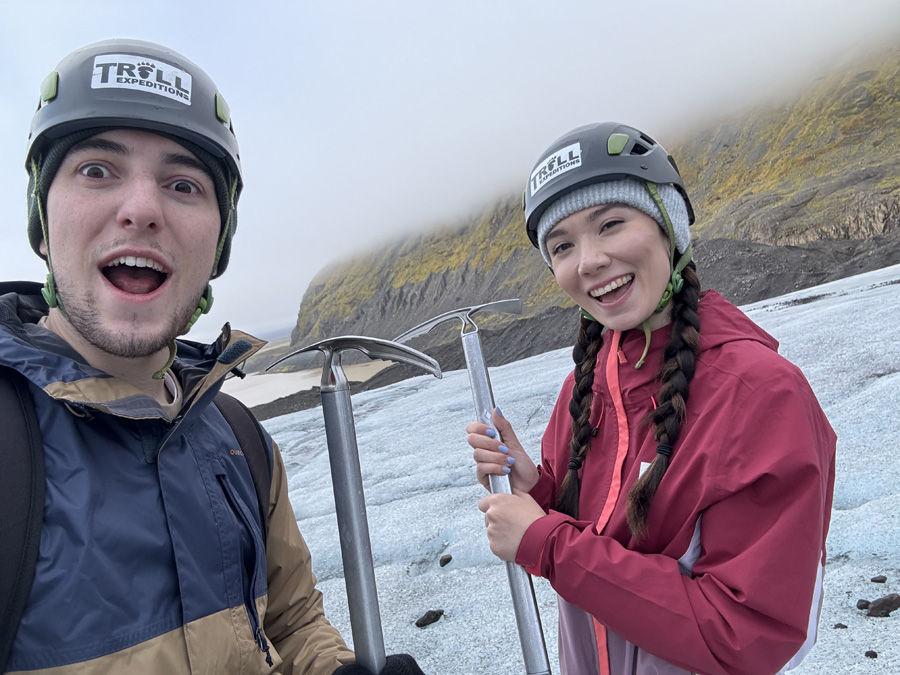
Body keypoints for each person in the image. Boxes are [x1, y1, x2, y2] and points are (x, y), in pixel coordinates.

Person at [0, 39, 423, 675]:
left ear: (217, 243)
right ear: (41, 215)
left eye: (182, 184)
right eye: (96, 170)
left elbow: (292, 622)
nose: (141, 209)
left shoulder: (240, 440)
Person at [467, 122, 836, 675]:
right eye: (562, 245)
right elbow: (600, 540)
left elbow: (748, 635)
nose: (588, 260)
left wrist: (547, 545)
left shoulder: (760, 394)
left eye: (610, 224)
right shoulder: (587, 386)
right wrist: (536, 489)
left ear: (670, 226)